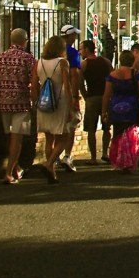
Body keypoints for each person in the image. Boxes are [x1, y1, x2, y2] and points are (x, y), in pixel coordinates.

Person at [0, 28, 36, 184]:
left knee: (8, 137)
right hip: (21, 102)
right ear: (25, 40)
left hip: (3, 101)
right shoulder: (28, 58)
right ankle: (9, 172)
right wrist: (36, 99)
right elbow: (33, 82)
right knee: (17, 138)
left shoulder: (0, 58)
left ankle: (15, 168)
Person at [32, 35, 77, 184]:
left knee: (49, 137)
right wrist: (71, 105)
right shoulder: (62, 62)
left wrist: (35, 102)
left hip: (44, 103)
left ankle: (51, 172)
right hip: (60, 102)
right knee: (64, 137)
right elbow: (67, 85)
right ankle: (49, 163)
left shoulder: (39, 63)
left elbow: (34, 85)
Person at [102, 49, 139, 173]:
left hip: (116, 107)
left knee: (118, 133)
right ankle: (129, 160)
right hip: (132, 107)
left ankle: (118, 160)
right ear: (132, 60)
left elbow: (106, 95)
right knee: (131, 133)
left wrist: (104, 111)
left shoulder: (112, 75)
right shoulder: (137, 74)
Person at [79, 39, 112, 163]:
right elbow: (112, 77)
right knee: (107, 127)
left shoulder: (84, 64)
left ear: (87, 49)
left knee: (91, 129)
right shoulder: (106, 61)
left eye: (81, 49)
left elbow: (80, 83)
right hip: (105, 96)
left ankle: (93, 157)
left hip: (92, 97)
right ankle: (105, 153)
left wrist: (85, 95)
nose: (80, 51)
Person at [58, 24, 83, 172]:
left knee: (55, 128)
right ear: (70, 36)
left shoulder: (52, 52)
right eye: (74, 35)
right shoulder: (73, 53)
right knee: (72, 125)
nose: (75, 38)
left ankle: (54, 157)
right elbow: (75, 75)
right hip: (67, 93)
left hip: (53, 94)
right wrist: (75, 95)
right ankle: (67, 155)